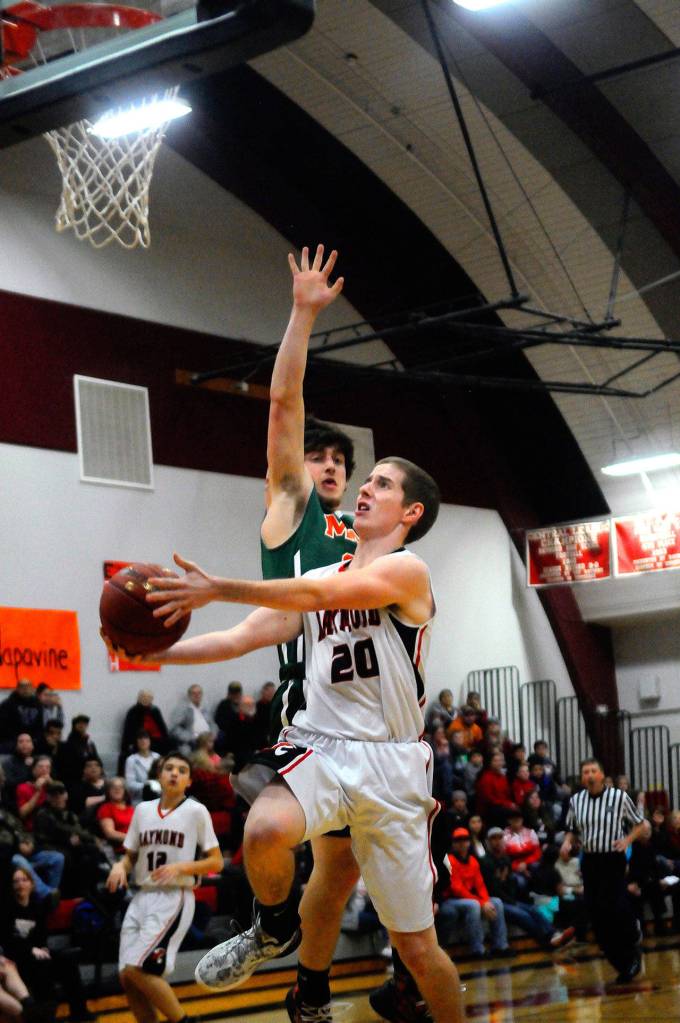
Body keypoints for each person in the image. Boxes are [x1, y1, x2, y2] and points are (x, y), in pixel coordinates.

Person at [139, 455, 464, 1023]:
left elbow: (316, 601)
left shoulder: (409, 572)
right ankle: (273, 927)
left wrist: (217, 587)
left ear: (410, 512)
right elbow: (238, 640)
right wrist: (148, 653)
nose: (365, 489)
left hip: (391, 767)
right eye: (367, 481)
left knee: (416, 948)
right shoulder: (317, 579)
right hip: (322, 745)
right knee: (264, 828)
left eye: (381, 485)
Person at [106, 752, 223, 1023]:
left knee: (138, 968)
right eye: (168, 768)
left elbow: (216, 861)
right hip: (141, 896)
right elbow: (130, 856)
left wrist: (182, 867)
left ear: (189, 781)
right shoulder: (142, 810)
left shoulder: (196, 811)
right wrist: (119, 866)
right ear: (159, 775)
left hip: (174, 897)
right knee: (127, 975)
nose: (174, 773)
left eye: (181, 770)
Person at [561, 757, 646, 983]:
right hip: (590, 860)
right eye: (585, 772)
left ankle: (632, 942)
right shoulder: (576, 800)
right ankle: (622, 964)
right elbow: (571, 829)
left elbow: (642, 824)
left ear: (601, 775)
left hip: (612, 858)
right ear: (582, 778)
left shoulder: (618, 797)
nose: (589, 775)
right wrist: (567, 842)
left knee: (616, 907)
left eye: (593, 771)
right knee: (597, 915)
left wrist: (627, 840)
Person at [0, 866, 96, 1021]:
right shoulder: (7, 909)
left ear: (31, 884)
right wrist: (31, 949)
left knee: (67, 961)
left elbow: (41, 934)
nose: (20, 884)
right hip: (17, 956)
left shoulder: (37, 907)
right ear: (11, 886)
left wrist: (42, 946)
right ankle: (45, 1015)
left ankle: (79, 1012)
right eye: (16, 881)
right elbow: (8, 940)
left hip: (36, 952)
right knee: (41, 966)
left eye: (24, 880)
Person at [480, 829, 574, 950]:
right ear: (488, 842)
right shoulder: (484, 861)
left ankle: (554, 933)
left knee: (533, 910)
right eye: (494, 838)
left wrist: (509, 891)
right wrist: (509, 896)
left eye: (499, 838)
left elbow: (510, 883)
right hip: (494, 901)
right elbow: (491, 888)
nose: (497, 841)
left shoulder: (506, 859)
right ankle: (547, 941)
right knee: (523, 915)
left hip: (509, 898)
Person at [436, 828, 511, 959]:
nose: (462, 843)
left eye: (465, 840)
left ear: (469, 842)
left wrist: (486, 901)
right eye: (458, 841)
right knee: (473, 905)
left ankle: (501, 945)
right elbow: (456, 888)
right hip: (450, 899)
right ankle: (477, 949)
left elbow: (480, 885)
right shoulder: (450, 860)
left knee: (497, 902)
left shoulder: (473, 861)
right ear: (453, 844)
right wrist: (482, 903)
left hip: (470, 897)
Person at [119, 691, 169, 766]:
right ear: (138, 698)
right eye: (143, 697)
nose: (146, 699)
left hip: (157, 741)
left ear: (152, 699)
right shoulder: (133, 711)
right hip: (140, 739)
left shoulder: (155, 710)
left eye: (148, 697)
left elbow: (163, 728)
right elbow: (128, 731)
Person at [169, 685, 216, 754]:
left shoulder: (205, 709)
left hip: (207, 741)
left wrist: (213, 735)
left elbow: (213, 724)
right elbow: (174, 728)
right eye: (194, 693)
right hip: (191, 743)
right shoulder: (183, 709)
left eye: (199, 693)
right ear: (189, 695)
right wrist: (190, 737)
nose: (197, 695)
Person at [97, 777, 134, 857]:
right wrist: (134, 839)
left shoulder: (131, 809)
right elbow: (110, 833)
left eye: (120, 787)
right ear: (108, 791)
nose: (117, 789)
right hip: (120, 852)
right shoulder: (106, 808)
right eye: (113, 787)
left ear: (125, 791)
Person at [0, 682, 42, 752]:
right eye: (23, 687)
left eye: (28, 687)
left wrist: (33, 740)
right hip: (11, 741)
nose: (26, 690)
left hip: (33, 740)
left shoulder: (37, 704)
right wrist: (19, 741)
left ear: (32, 689)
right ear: (17, 689)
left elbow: (40, 725)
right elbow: (3, 726)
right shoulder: (7, 704)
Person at [124, 731, 161, 806]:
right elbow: (130, 784)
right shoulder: (131, 760)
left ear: (150, 741)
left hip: (158, 797)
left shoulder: (157, 757)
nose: (143, 741)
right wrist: (147, 785)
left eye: (146, 738)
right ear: (136, 741)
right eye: (140, 738)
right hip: (139, 800)